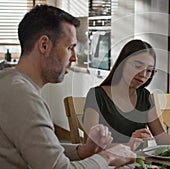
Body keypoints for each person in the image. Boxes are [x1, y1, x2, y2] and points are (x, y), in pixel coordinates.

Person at [0, 5, 136, 168]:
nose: (73, 58)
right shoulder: (23, 96)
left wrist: (83, 151)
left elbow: (40, 150)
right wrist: (107, 157)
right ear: (44, 45)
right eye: (69, 47)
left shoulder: (9, 82)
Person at [83, 39, 170, 149]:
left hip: (137, 163)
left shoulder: (145, 96)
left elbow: (161, 138)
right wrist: (128, 143)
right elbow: (91, 145)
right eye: (138, 66)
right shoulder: (96, 95)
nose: (143, 74)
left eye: (149, 70)